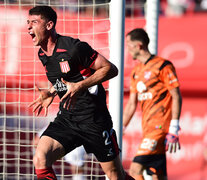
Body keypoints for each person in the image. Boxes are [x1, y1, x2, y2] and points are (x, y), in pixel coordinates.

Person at [27, 6, 134, 180]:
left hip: (94, 120)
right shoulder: (42, 54)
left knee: (115, 175)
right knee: (40, 157)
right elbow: (65, 78)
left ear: (49, 25)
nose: (29, 27)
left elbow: (111, 69)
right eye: (27, 23)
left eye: (34, 22)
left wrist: (80, 86)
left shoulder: (74, 48)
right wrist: (51, 92)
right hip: (67, 119)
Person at [123, 28, 182, 180]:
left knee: (136, 169)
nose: (127, 49)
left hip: (160, 127)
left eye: (129, 45)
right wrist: (121, 127)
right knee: (156, 174)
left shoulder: (163, 66)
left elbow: (176, 95)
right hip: (147, 129)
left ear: (138, 46)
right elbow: (131, 104)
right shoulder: (136, 72)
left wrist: (174, 126)